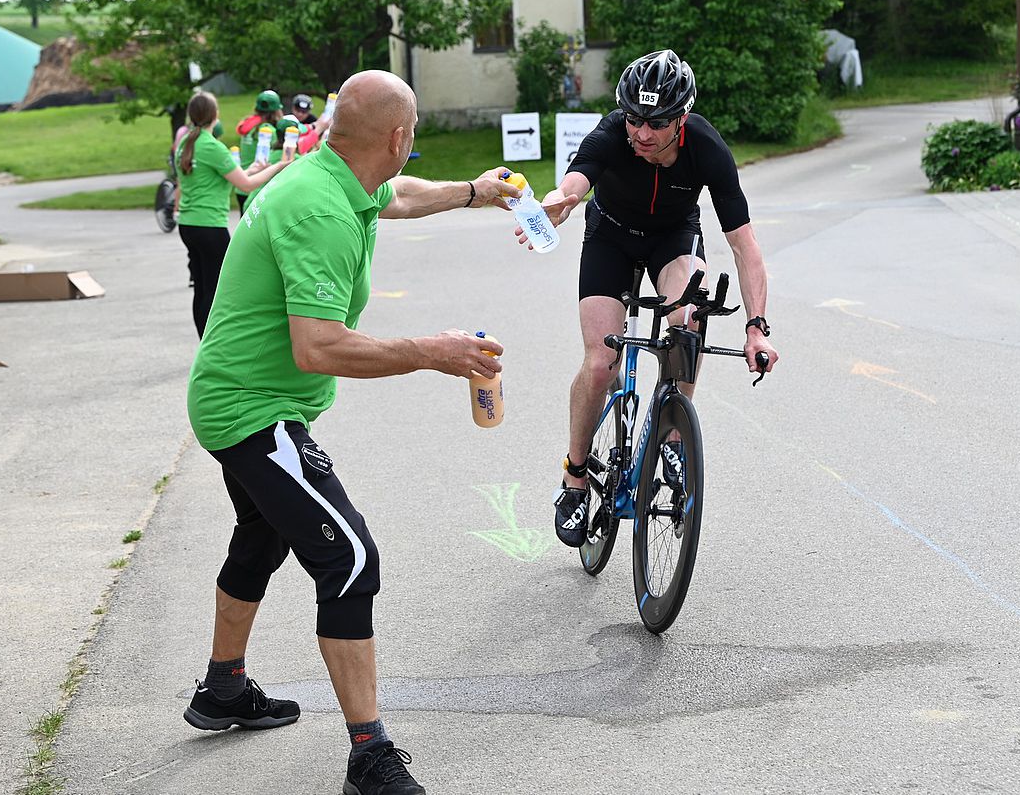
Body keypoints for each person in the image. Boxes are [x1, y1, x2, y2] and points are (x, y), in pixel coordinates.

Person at [183, 69, 520, 795]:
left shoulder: (335, 172)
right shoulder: (320, 214)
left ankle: (223, 687)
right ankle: (370, 756)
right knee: (352, 557)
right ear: (398, 138)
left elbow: (396, 195)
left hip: (241, 397)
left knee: (263, 536)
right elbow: (320, 347)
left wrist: (474, 190)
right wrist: (433, 352)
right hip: (252, 409)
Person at [515, 49, 778, 547]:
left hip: (671, 236)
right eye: (634, 118)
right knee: (600, 363)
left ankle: (674, 437)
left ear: (681, 118)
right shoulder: (613, 133)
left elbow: (746, 247)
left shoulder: (706, 148)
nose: (641, 133)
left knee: (690, 316)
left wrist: (756, 327)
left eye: (655, 123)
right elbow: (575, 181)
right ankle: (573, 475)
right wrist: (558, 204)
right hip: (611, 236)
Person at [175, 90, 292, 338]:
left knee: (201, 288)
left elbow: (229, 178)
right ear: (215, 115)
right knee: (215, 289)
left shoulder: (185, 144)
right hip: (210, 227)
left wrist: (251, 169)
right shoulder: (211, 147)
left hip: (188, 225)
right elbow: (246, 186)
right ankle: (212, 340)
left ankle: (203, 340)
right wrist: (277, 166)